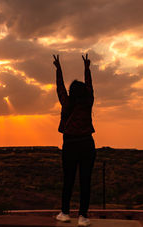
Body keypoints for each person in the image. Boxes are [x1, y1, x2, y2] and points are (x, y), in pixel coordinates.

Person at [53, 54, 96, 227]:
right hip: (87, 143)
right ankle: (83, 217)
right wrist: (87, 68)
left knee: (68, 180)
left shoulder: (67, 103)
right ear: (84, 91)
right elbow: (90, 87)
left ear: (71, 92)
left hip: (70, 145)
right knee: (85, 181)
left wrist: (58, 68)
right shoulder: (88, 103)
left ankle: (64, 213)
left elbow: (60, 87)